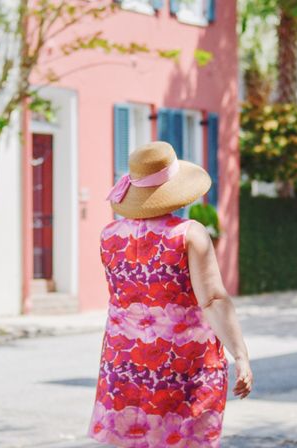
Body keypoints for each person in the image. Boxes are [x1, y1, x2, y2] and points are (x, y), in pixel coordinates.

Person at [88, 141, 253, 447]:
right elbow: (213, 299)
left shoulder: (108, 236)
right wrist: (240, 354)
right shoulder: (190, 234)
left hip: (125, 362)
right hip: (183, 364)